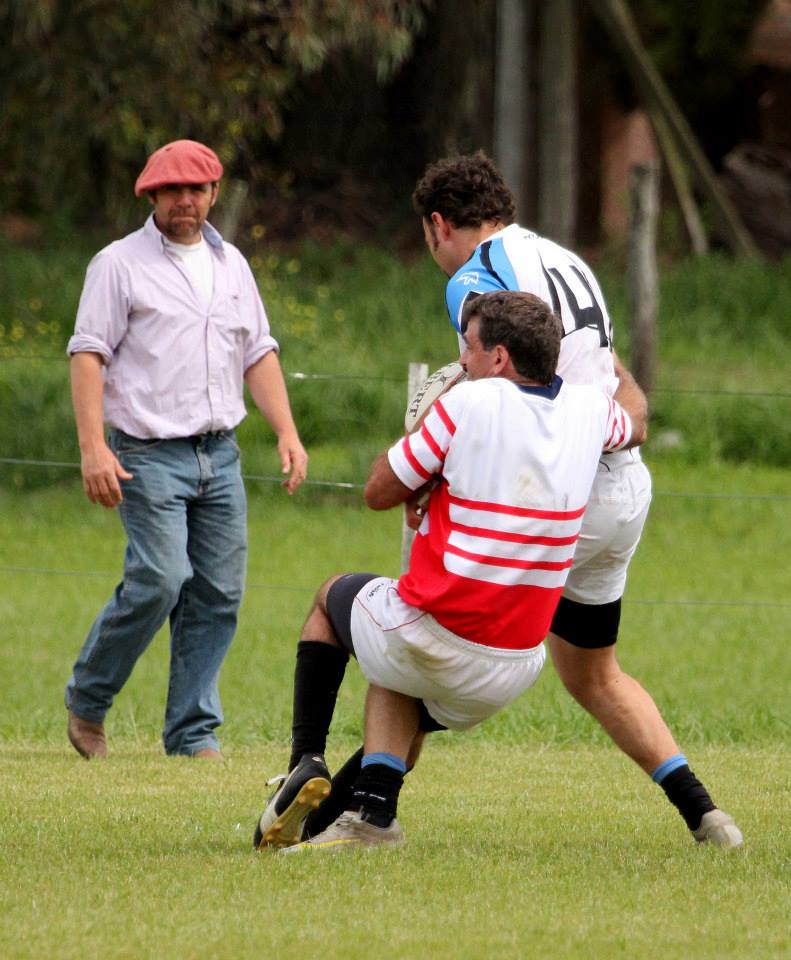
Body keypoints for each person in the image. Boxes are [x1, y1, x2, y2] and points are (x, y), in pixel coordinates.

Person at [409, 150, 742, 848]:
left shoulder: (477, 279)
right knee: (592, 673)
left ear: (438, 224)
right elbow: (608, 373)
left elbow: (494, 391)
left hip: (556, 492)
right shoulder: (565, 260)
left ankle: (361, 808)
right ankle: (707, 817)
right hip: (621, 482)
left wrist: (428, 470)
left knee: (419, 640)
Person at [254, 290, 647, 852]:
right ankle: (371, 816)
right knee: (399, 662)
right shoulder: (589, 410)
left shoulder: (466, 404)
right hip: (515, 665)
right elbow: (633, 422)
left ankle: (304, 759)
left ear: (500, 359)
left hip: (440, 634)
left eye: (469, 346)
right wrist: (616, 366)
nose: (462, 360)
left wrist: (424, 456)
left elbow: (376, 492)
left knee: (333, 598)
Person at [65, 138, 308, 760]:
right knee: (160, 578)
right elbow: (88, 353)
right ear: (151, 196)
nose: (184, 201)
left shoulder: (233, 267)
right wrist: (93, 448)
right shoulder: (118, 264)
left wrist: (286, 431)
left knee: (219, 593)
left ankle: (192, 733)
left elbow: (258, 351)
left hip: (219, 455)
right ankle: (88, 702)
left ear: (214, 195)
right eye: (171, 190)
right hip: (145, 455)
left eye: (195, 190)